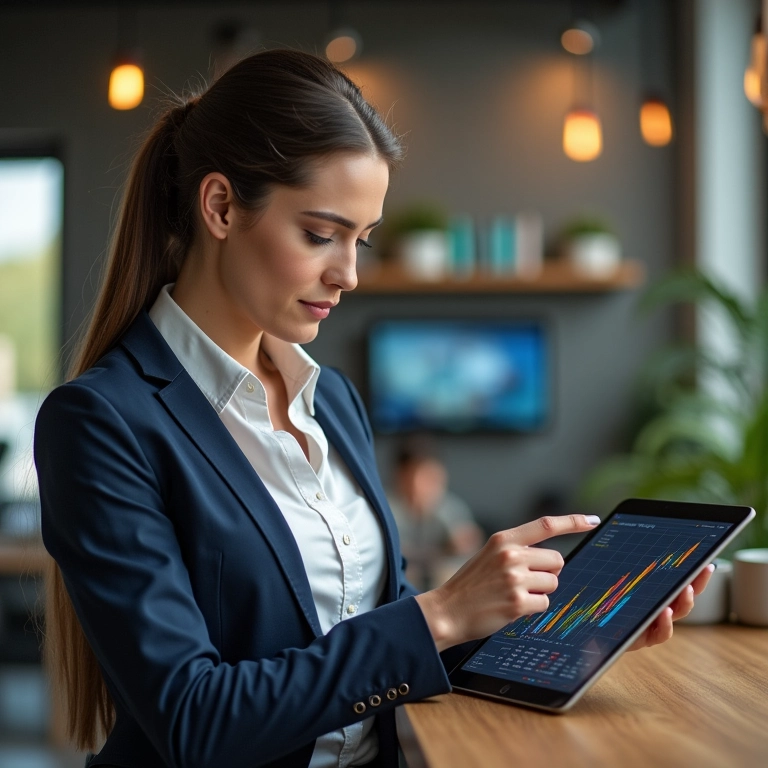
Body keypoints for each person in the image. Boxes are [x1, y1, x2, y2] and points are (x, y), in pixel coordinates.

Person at [33, 49, 712, 768]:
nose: (349, 273)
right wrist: (440, 611)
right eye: (320, 234)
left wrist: (577, 630)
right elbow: (194, 720)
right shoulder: (103, 422)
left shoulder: (332, 399)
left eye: (362, 239)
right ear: (222, 207)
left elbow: (377, 632)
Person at [388, 436, 483, 590]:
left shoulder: (449, 507)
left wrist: (463, 542)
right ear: (401, 475)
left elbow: (468, 542)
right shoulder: (388, 509)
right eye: (422, 477)